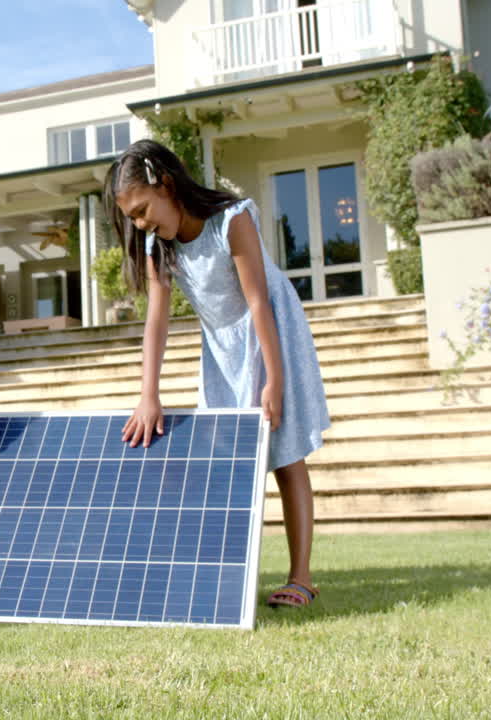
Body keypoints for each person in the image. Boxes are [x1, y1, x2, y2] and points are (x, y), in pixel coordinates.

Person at [104, 139, 330, 609]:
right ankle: (223, 575)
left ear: (167, 185)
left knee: (286, 457)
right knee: (224, 465)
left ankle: (302, 577)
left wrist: (274, 380)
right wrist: (149, 394)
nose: (142, 223)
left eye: (144, 210)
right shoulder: (157, 245)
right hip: (223, 348)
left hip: (269, 334)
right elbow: (157, 320)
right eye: (134, 218)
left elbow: (258, 300)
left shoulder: (232, 219)